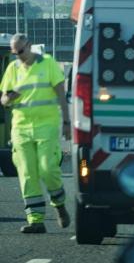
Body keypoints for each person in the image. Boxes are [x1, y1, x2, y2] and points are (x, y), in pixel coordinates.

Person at [0, 34, 71, 233]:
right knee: (27, 173)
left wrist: (66, 122)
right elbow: (3, 100)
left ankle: (59, 205)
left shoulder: (47, 64)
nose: (19, 56)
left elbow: (61, 95)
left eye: (21, 51)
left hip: (46, 125)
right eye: (15, 53)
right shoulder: (13, 68)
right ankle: (35, 220)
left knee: (48, 168)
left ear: (29, 46)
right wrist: (9, 98)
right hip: (21, 128)